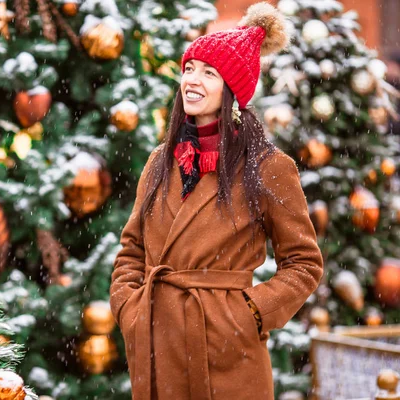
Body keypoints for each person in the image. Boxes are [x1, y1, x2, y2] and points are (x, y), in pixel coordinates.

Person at [109, 3, 324, 400]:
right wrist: (129, 307)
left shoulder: (268, 167)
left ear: (233, 90)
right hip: (158, 347)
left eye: (209, 73)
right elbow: (131, 249)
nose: (192, 79)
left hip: (227, 355)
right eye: (189, 68)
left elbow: (304, 264)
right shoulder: (161, 160)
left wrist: (249, 312)